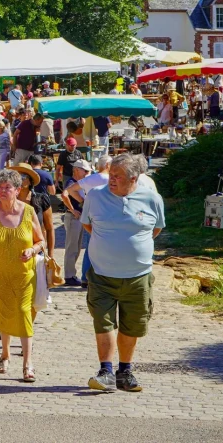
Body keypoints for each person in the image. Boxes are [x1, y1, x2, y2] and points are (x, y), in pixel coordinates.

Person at [84, 153, 165, 392]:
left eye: (117, 176)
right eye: (111, 174)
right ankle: (106, 371)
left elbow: (156, 229)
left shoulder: (152, 199)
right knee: (104, 322)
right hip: (101, 274)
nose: (112, 179)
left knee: (132, 325)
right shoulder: (95, 196)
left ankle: (125, 371)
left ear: (134, 178)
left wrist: (132, 247)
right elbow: (88, 225)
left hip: (138, 276)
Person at [0, 169, 46, 382]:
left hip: (24, 275)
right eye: (0, 187)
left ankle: (28, 363)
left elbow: (41, 241)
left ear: (17, 190)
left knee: (24, 313)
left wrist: (32, 250)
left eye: (7, 188)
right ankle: (5, 355)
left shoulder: (29, 211)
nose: (3, 191)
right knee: (4, 315)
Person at [60, 158, 91, 286]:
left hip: (77, 218)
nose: (87, 174)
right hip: (73, 218)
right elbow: (64, 195)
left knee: (76, 247)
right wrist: (73, 210)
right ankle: (69, 276)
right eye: (85, 171)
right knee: (72, 247)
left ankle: (71, 274)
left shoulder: (78, 183)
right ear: (77, 170)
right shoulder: (71, 182)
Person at [16, 163, 54, 255]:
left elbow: (49, 228)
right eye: (16, 177)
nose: (18, 180)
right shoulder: (9, 201)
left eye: (23, 176)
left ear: (30, 181)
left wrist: (50, 255)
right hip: (14, 250)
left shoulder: (41, 199)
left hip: (37, 250)